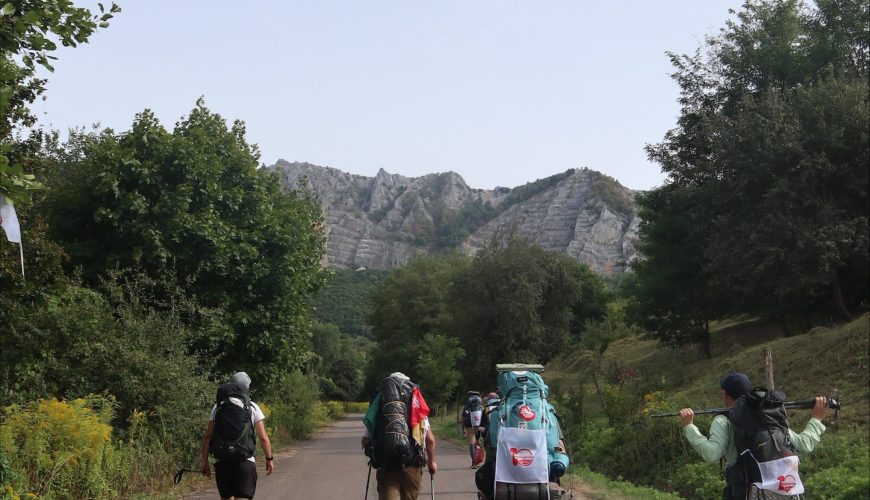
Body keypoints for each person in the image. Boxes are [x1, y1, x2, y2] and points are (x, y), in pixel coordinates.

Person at [679, 372, 828, 499]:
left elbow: (712, 454)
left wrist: (689, 427)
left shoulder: (723, 420)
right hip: (786, 494)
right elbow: (804, 444)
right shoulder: (770, 415)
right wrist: (816, 418)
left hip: (748, 493)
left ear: (725, 394)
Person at [361, 372, 437, 500]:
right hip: (411, 466)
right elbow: (429, 440)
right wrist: (431, 462)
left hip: (387, 466)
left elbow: (365, 440)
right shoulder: (415, 402)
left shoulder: (380, 405)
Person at [200, 372, 274, 500]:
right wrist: (269, 459)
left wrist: (204, 462)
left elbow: (208, 437)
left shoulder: (217, 407)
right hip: (245, 463)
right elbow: (263, 437)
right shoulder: (252, 407)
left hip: (223, 462)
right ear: (246, 388)